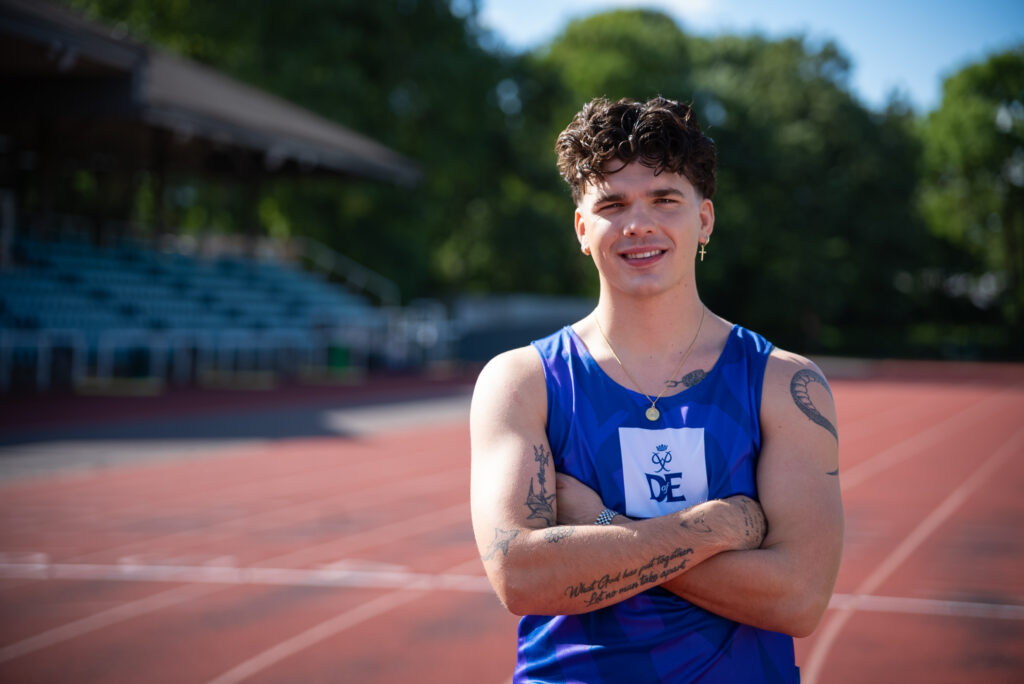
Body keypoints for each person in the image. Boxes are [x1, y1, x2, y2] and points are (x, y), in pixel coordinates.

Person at [470, 96, 843, 682]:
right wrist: (717, 529)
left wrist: (603, 527)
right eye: (612, 203)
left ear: (705, 220)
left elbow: (796, 599)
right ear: (581, 229)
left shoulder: (783, 381)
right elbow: (521, 577)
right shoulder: (522, 381)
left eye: (665, 199)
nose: (637, 223)